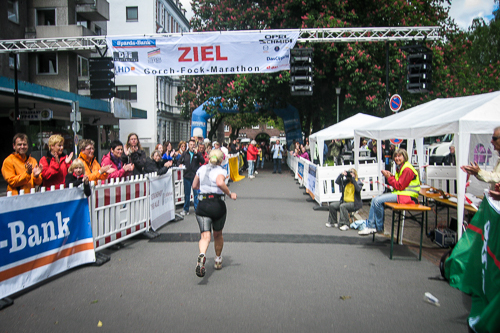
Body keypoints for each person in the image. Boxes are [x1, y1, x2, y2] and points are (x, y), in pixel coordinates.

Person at [192, 149, 237, 277]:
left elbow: (195, 185)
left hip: (203, 204)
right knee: (218, 234)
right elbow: (219, 182)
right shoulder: (221, 170)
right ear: (221, 159)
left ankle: (202, 254)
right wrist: (229, 193)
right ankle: (217, 259)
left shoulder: (201, 169)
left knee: (205, 236)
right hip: (217, 204)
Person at [359, 148, 421, 235]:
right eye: (395, 156)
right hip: (401, 195)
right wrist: (391, 176)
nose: (397, 158)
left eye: (399, 156)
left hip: (408, 197)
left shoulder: (407, 169)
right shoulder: (401, 167)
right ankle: (371, 226)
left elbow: (399, 186)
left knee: (377, 201)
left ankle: (379, 227)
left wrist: (388, 177)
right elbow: (399, 182)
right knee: (374, 199)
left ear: (404, 157)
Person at [178, 139, 204, 215]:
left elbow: (202, 161)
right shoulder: (185, 154)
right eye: (191, 145)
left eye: (193, 145)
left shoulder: (197, 154)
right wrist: (179, 165)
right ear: (188, 145)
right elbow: (179, 161)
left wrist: (198, 153)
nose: (192, 146)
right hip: (187, 176)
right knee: (187, 193)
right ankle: (186, 209)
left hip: (195, 176)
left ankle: (197, 208)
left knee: (196, 193)